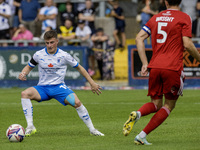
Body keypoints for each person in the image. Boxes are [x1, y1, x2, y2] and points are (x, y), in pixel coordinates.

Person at [123, 0, 200, 145]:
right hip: (172, 67)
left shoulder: (156, 17)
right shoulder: (184, 17)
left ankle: (138, 113)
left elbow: (139, 38)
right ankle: (141, 135)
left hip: (155, 67)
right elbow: (188, 44)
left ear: (165, 2)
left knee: (156, 104)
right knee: (169, 105)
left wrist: (145, 63)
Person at [18, 30, 104, 137]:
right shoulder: (38, 54)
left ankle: (92, 130)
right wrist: (23, 73)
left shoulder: (64, 55)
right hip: (42, 88)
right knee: (24, 94)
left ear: (57, 41)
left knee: (77, 103)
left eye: (52, 42)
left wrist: (92, 83)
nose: (49, 45)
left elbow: (80, 68)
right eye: (47, 43)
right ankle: (30, 126)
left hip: (59, 87)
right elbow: (29, 66)